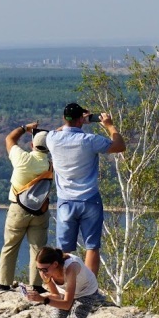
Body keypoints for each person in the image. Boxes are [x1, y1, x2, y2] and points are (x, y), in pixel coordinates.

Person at [48, 102, 125, 277]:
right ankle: (89, 287)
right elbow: (120, 146)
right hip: (89, 199)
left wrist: (73, 122)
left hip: (66, 201)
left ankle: (67, 285)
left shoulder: (52, 138)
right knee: (92, 247)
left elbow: (59, 131)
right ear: (80, 120)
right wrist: (109, 125)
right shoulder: (90, 140)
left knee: (63, 250)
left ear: (64, 118)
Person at [0, 122, 52, 290]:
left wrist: (24, 128)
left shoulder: (22, 158)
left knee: (10, 246)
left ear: (31, 145)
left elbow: (10, 139)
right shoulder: (50, 165)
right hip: (40, 210)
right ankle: (36, 285)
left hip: (18, 209)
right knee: (38, 248)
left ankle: (4, 283)